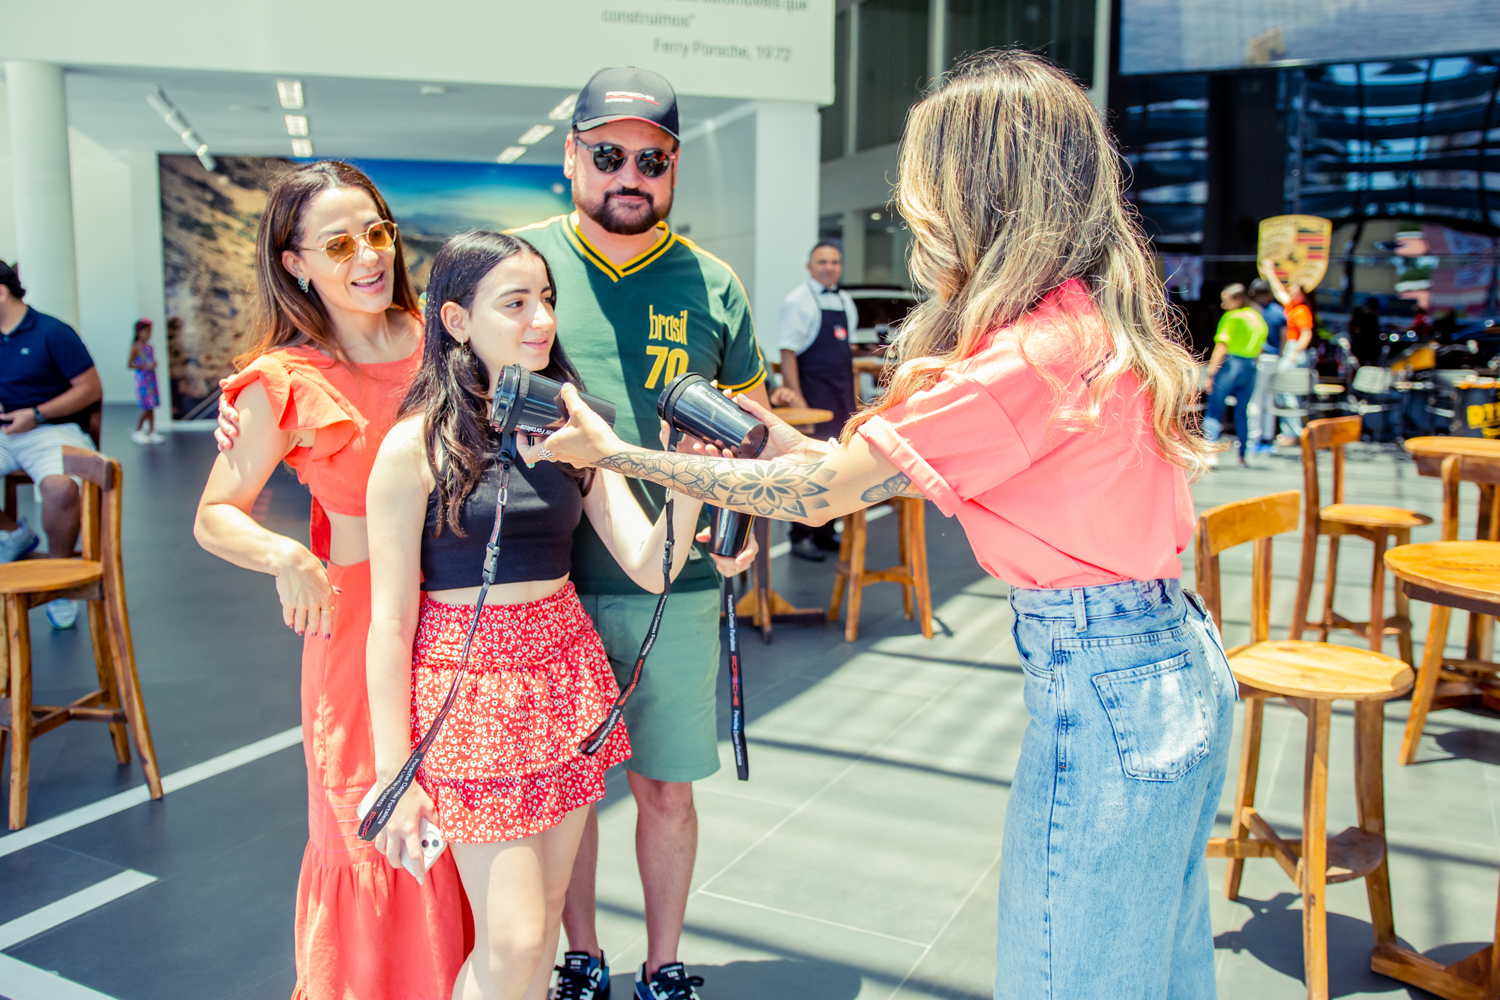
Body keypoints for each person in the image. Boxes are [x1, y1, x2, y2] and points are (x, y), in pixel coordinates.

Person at [542, 49, 1234, 1000]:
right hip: (1163, 660)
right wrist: (757, 446)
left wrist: (618, 455)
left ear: (978, 195)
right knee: (1156, 969)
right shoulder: (1076, 323)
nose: (917, 216)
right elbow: (842, 466)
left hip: (1107, 682)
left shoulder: (1027, 358)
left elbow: (823, 495)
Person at [366, 231, 742, 1000]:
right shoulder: (413, 448)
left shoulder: (572, 430)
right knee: (514, 941)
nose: (541, 319)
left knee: (541, 922)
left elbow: (650, 563)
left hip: (564, 676)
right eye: (515, 303)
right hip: (471, 693)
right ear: (456, 321)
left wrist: (688, 477)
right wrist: (392, 773)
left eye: (546, 300)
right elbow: (390, 624)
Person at [508, 66, 774, 1000]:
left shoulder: (714, 284)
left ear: (674, 166)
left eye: (651, 160)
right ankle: (581, 955)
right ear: (571, 155)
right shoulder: (525, 269)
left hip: (681, 585)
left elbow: (751, 428)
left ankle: (664, 966)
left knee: (666, 786)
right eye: (609, 154)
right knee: (567, 794)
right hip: (548, 584)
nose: (630, 174)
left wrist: (746, 524)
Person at [194, 161, 471, 1000]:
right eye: (339, 243)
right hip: (358, 638)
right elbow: (216, 514)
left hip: (466, 617)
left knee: (467, 823)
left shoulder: (446, 340)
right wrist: (286, 556)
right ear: (296, 264)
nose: (369, 256)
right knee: (374, 828)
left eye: (376, 233)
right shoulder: (284, 380)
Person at [0, 260, 103, 630]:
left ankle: (59, 584)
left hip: (51, 429)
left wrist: (37, 414)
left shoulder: (53, 332)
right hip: (5, 433)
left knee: (60, 488)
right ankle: (14, 534)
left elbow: (90, 389)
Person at [777, 241, 859, 561]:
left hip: (841, 397)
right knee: (808, 469)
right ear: (809, 267)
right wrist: (797, 399)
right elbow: (788, 353)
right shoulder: (797, 301)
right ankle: (799, 537)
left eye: (835, 262)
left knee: (836, 467)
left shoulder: (845, 300)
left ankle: (826, 532)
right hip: (813, 396)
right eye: (822, 262)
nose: (829, 267)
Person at [1202, 283, 1268, 467]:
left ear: (1238, 299)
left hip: (1230, 365)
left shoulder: (1231, 317)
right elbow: (1261, 347)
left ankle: (1211, 453)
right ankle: (1242, 457)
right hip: (1250, 367)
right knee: (1242, 412)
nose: (1223, 305)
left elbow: (1221, 347)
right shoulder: (1257, 317)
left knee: (1214, 410)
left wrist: (1210, 373)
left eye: (1226, 300)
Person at [1258, 258, 1317, 445]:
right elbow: (1279, 292)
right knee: (1283, 391)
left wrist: (1294, 352)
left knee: (1286, 391)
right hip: (1290, 350)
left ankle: (1295, 433)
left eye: (1294, 291)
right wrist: (1270, 272)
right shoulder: (1291, 308)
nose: (1290, 292)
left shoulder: (1301, 310)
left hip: (1293, 351)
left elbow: (1306, 334)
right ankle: (1290, 433)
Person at [1246, 278, 1284, 450]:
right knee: (1269, 400)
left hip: (1259, 359)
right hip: (1275, 359)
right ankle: (1267, 437)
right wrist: (1281, 356)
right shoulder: (1279, 312)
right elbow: (1284, 337)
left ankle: (1253, 437)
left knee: (1255, 400)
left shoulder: (1252, 312)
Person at [129, 318, 164, 444]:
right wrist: (145, 365)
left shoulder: (149, 347)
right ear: (138, 332)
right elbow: (130, 364)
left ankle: (152, 431)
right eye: (145, 331)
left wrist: (152, 365)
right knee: (146, 406)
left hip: (151, 379)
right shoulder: (136, 347)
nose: (148, 334)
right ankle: (138, 430)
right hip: (142, 380)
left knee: (152, 405)